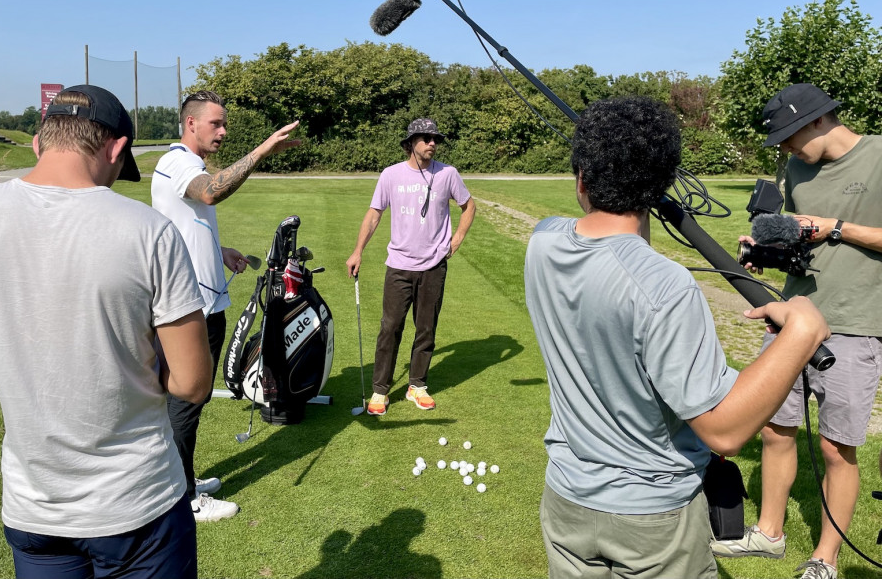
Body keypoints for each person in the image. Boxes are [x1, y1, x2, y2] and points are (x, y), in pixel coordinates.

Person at [0, 84, 213, 578]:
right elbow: (191, 383)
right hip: (138, 505)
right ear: (117, 149)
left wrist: (15, 338)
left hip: (34, 508)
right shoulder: (149, 231)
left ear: (38, 142)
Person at [524, 96, 831, 578]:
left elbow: (613, 248)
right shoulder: (664, 286)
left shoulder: (543, 240)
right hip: (651, 518)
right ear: (659, 183)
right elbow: (724, 431)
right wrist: (802, 331)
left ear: (581, 180)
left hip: (566, 500)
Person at [711, 84, 882, 579]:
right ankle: (769, 535)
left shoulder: (877, 155)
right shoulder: (797, 168)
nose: (785, 149)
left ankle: (825, 559)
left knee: (835, 446)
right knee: (774, 429)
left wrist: (833, 227)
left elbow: (830, 232)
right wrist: (766, 249)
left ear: (817, 121)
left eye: (788, 137)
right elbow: (798, 235)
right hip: (790, 316)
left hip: (855, 322)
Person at [151, 90, 301, 521]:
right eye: (216, 123)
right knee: (185, 401)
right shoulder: (179, 161)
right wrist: (264, 149)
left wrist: (220, 250)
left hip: (202, 301)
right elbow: (212, 193)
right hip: (187, 307)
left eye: (224, 123)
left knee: (188, 403)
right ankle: (183, 500)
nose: (223, 130)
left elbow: (185, 221)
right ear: (191, 124)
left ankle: (183, 479)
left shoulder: (187, 164)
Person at [345, 118, 475, 415]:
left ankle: (417, 385)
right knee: (390, 327)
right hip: (399, 266)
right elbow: (375, 213)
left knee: (426, 328)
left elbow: (469, 206)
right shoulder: (391, 175)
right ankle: (380, 391)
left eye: (435, 138)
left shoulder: (448, 174)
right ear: (410, 143)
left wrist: (456, 240)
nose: (432, 143)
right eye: (426, 138)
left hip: (434, 266)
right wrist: (357, 251)